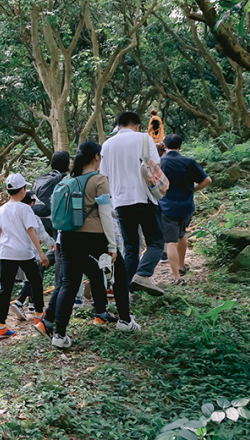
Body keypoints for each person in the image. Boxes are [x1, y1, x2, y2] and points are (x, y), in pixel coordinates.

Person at [47, 142, 142, 348]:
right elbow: (105, 215)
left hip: (69, 236)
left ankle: (59, 334)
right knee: (120, 271)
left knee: (69, 284)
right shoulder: (99, 180)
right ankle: (125, 320)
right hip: (94, 235)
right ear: (97, 157)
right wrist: (112, 245)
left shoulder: (68, 180)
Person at [100, 111, 166, 296]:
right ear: (137, 125)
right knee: (155, 242)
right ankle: (143, 274)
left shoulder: (107, 145)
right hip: (144, 198)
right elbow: (156, 168)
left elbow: (104, 176)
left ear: (119, 125)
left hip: (120, 202)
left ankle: (126, 292)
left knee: (130, 248)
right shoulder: (144, 139)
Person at [0, 174, 49, 339]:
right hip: (23, 253)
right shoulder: (25, 208)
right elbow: (31, 230)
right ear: (23, 190)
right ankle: (39, 316)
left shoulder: (2, 209)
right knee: (36, 282)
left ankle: (0, 326)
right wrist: (41, 252)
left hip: (6, 253)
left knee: (5, 289)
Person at [159, 134, 212, 284]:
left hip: (166, 207)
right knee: (182, 235)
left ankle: (177, 277)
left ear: (164, 146)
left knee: (171, 242)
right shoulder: (189, 162)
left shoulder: (159, 163)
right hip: (186, 206)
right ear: (180, 146)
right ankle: (182, 266)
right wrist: (193, 189)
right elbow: (207, 180)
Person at [31, 151, 71, 238]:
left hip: (39, 217)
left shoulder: (45, 177)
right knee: (59, 246)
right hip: (55, 218)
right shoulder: (65, 179)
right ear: (67, 164)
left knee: (52, 245)